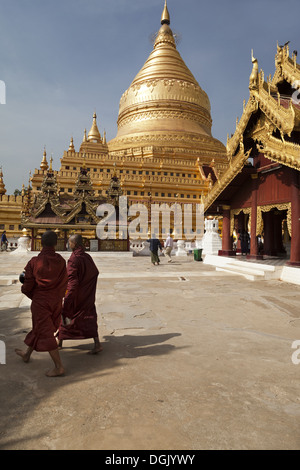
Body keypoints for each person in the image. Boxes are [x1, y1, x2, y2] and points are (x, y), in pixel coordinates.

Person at [15, 230, 68, 377]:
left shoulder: (34, 262)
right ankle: (27, 354)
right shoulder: (61, 261)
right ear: (56, 243)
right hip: (56, 301)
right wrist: (58, 297)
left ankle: (59, 367)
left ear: (41, 243)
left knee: (45, 332)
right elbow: (65, 282)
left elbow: (27, 285)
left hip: (41, 302)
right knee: (41, 328)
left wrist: (35, 296)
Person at [57, 234, 102, 354]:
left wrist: (68, 297)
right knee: (89, 319)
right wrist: (88, 288)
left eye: (69, 243)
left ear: (75, 244)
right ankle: (97, 344)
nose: (68, 245)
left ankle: (59, 342)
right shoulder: (86, 256)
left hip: (76, 296)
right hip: (86, 296)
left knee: (66, 315)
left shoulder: (74, 259)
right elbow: (95, 273)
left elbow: (73, 281)